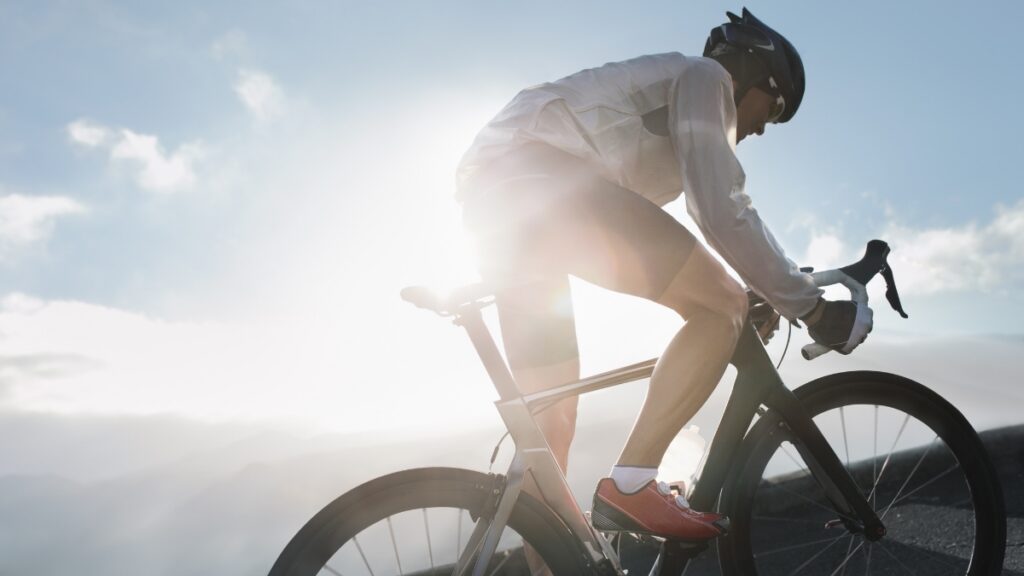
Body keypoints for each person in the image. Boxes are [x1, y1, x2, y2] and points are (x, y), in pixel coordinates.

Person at [457, 8, 873, 541]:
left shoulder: (666, 128)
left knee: (550, 433)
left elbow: (666, 242)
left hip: (499, 207)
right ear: (752, 74)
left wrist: (753, 290)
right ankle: (632, 485)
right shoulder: (706, 77)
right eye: (774, 108)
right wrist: (807, 306)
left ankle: (553, 565)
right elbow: (719, 210)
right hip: (539, 178)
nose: (763, 127)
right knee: (719, 303)